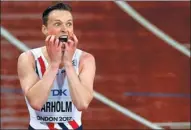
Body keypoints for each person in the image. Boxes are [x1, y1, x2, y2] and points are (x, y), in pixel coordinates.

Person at [17, 2, 96, 130]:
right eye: (58, 24)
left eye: (69, 24)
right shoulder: (28, 58)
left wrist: (68, 65)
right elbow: (36, 103)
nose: (65, 29)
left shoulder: (85, 59)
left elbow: (82, 103)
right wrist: (54, 65)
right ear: (45, 29)